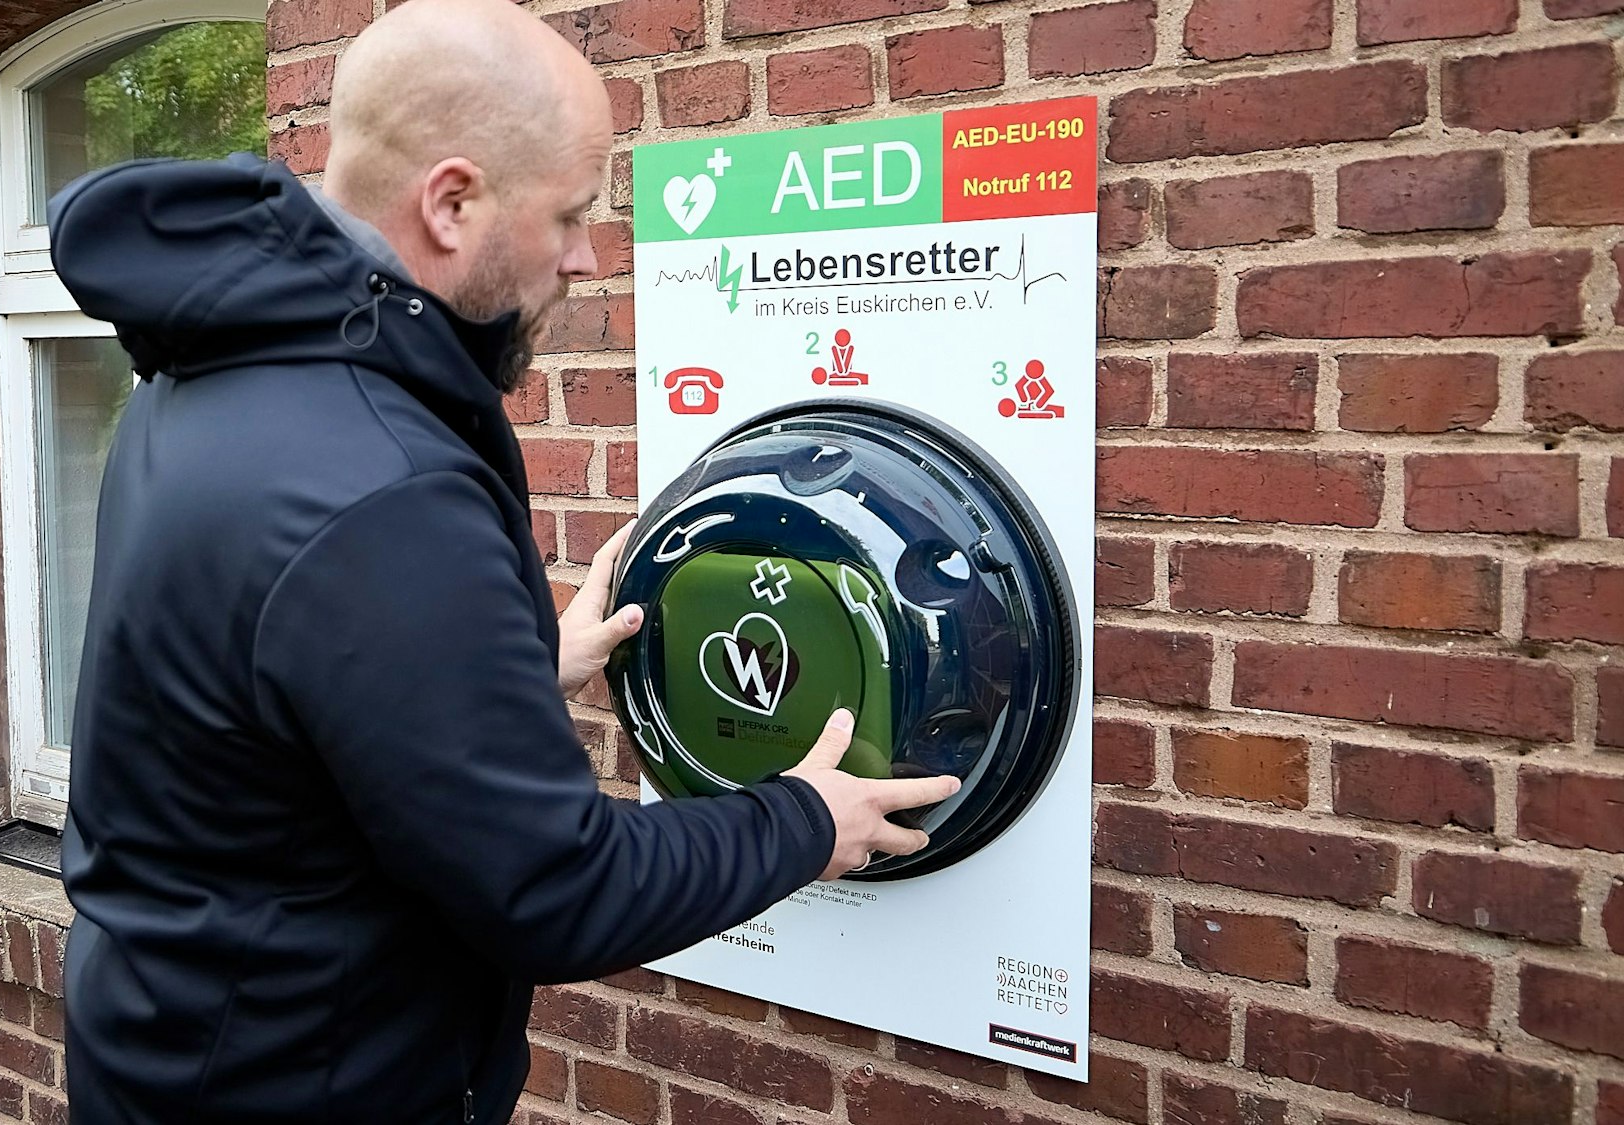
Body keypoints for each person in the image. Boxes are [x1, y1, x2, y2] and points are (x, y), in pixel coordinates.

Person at [47, 0, 959, 1121]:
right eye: (570, 215)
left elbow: (274, 702)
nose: (585, 257)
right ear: (452, 201)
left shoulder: (200, 382)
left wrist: (511, 672)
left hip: (167, 1052)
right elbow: (554, 889)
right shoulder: (385, 487)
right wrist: (804, 821)